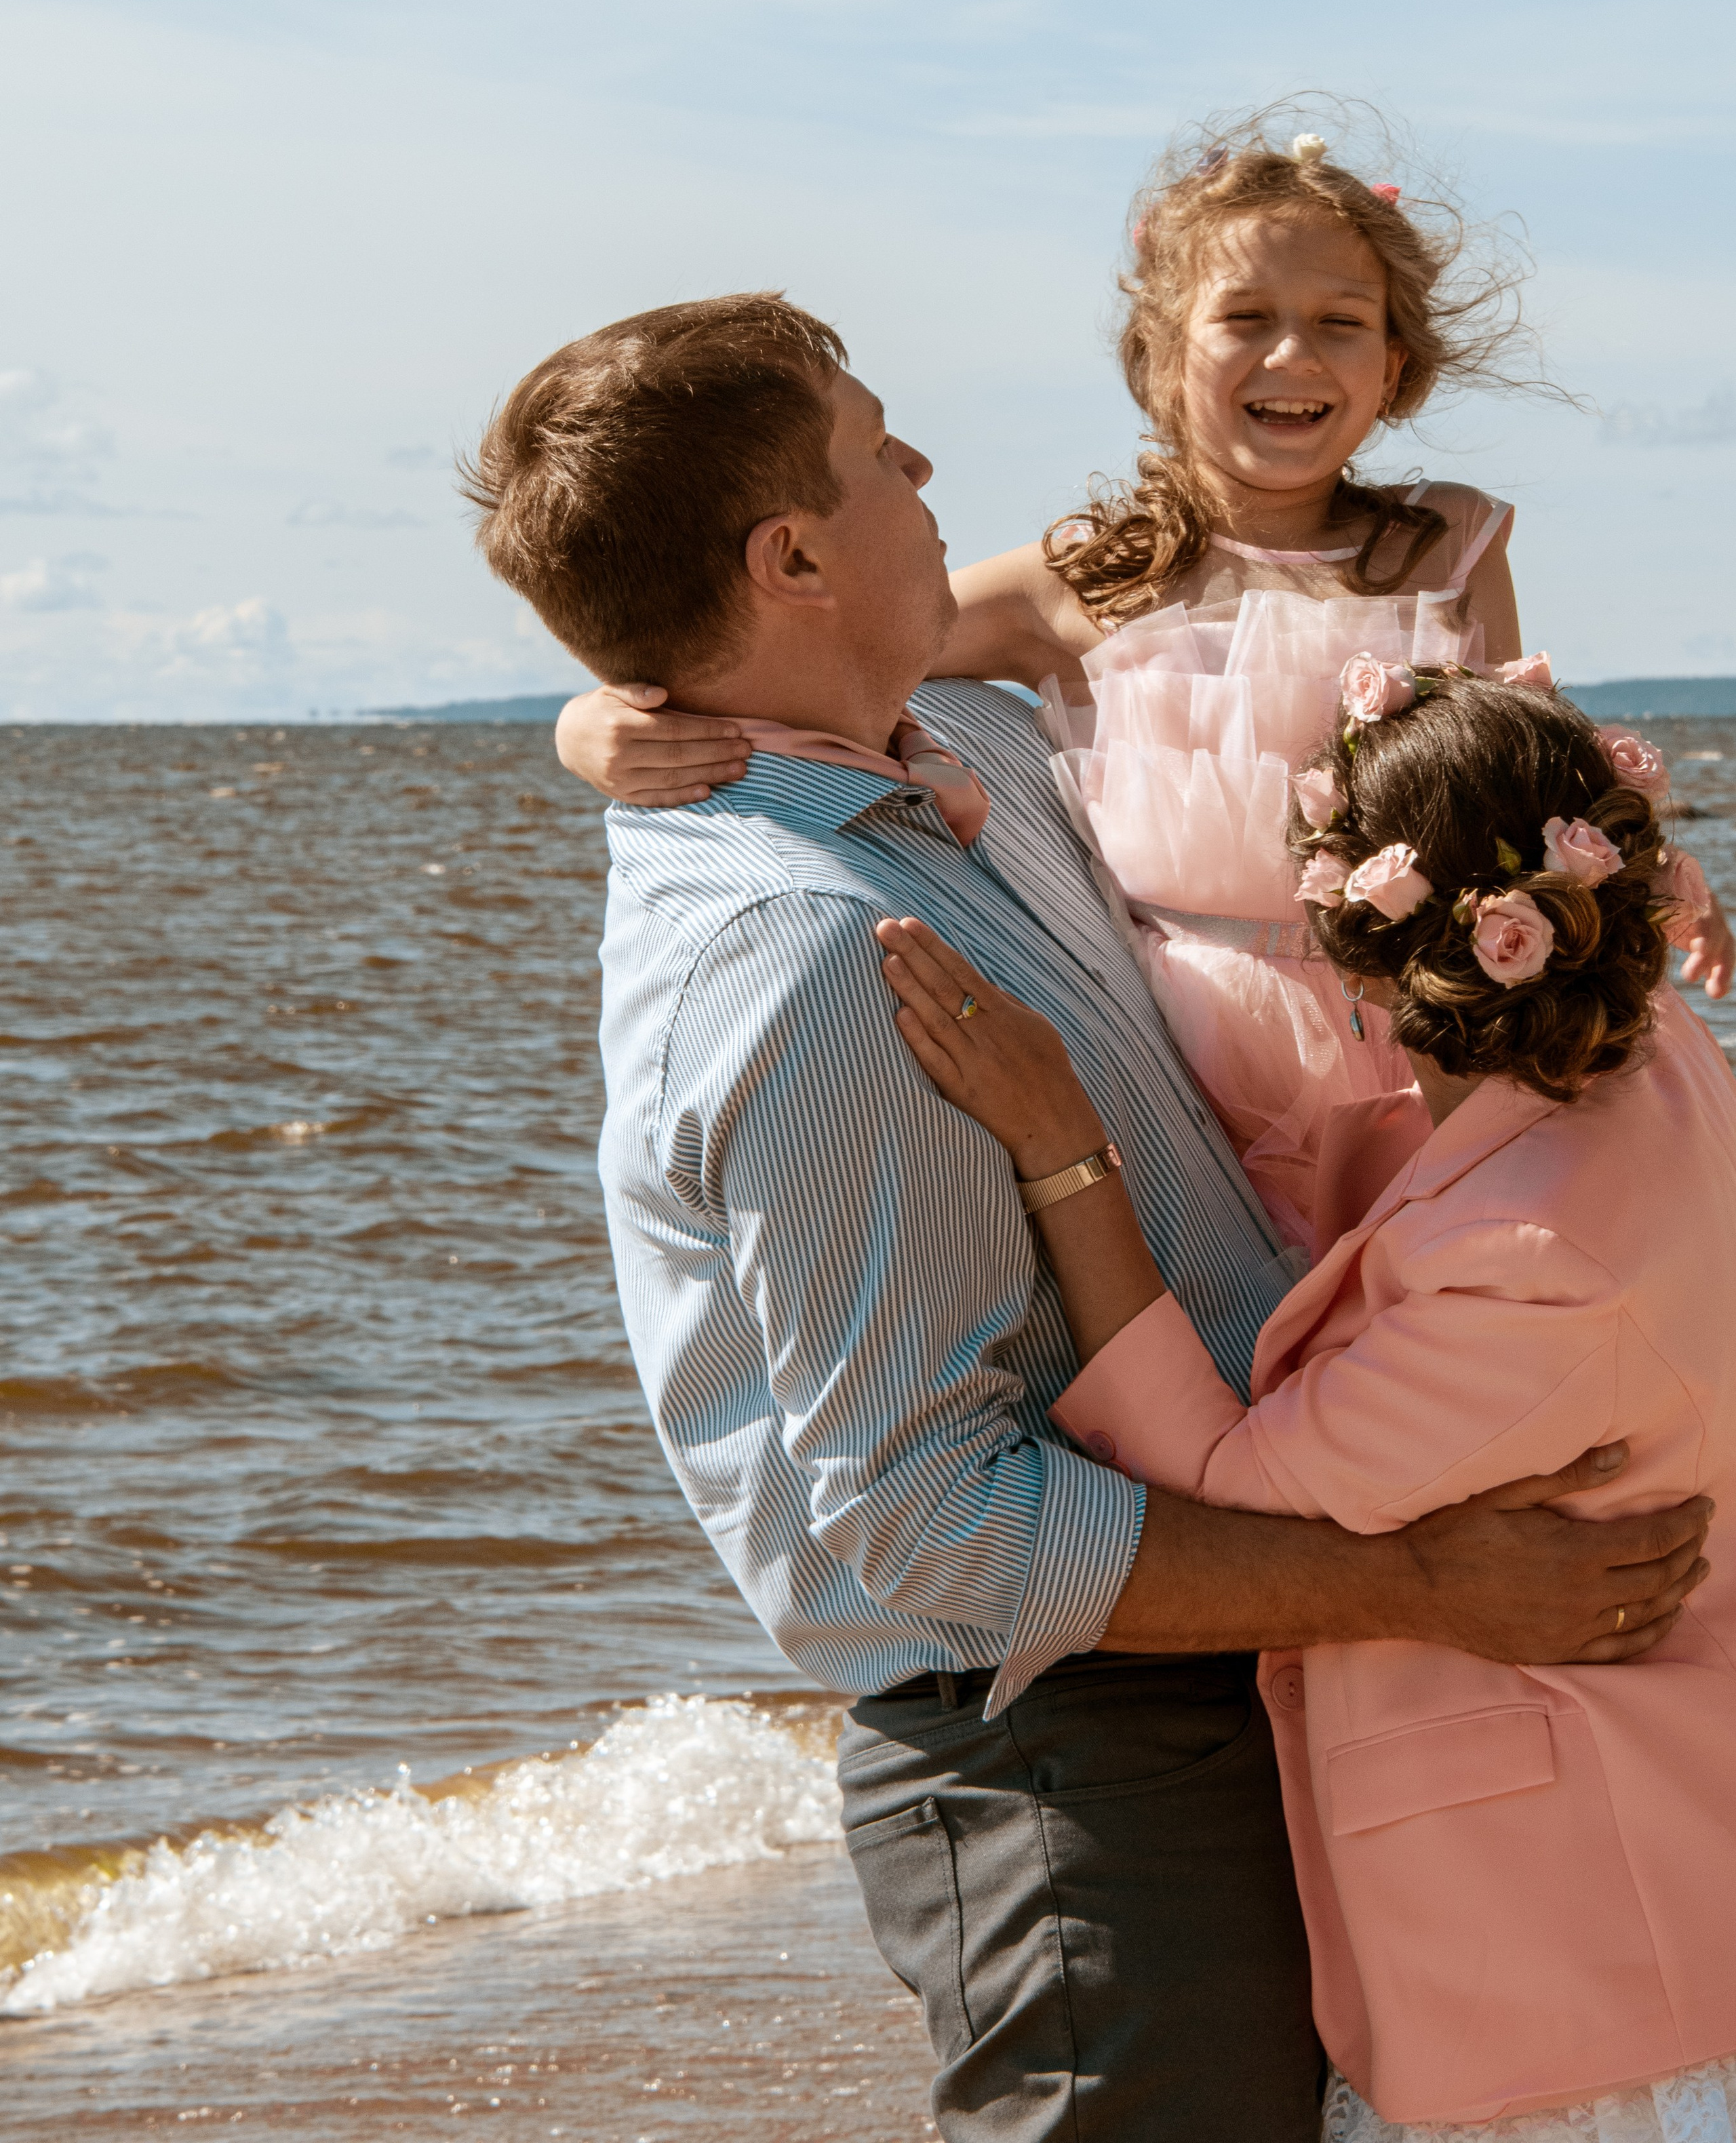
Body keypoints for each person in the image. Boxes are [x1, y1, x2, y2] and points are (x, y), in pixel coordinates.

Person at [460, 294, 1710, 2143]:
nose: (927, 475)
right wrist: (1418, 1583)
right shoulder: (803, 955)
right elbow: (931, 1528)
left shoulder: (956, 752)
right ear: (793, 554)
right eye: (881, 448)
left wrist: (601, 714)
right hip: (1056, 1756)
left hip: (1228, 1656)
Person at [554, 117, 1732, 1252]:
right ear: (1161, 357)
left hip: (1444, 1009)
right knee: (1270, 1343)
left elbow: (1529, 765)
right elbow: (814, 637)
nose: (1294, 356)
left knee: (1474, 1295)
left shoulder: (1450, 545)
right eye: (1246, 318)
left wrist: (1645, 871)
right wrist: (596, 717)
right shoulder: (1088, 582)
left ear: (1396, 366)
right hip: (1195, 1048)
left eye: (1341, 322)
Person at [874, 668, 1736, 2140]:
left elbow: (1211, 1474)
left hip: (1553, 1958)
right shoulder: (1661, 1066)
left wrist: (1065, 1148)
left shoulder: (1525, 1269)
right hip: (1629, 1880)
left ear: (1355, 939)